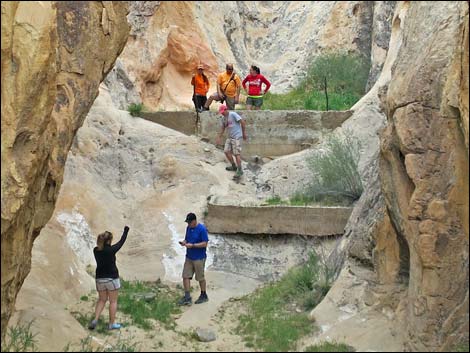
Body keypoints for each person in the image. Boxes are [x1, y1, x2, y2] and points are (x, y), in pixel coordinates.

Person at [88, 226, 130, 330]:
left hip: (99, 279)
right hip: (112, 278)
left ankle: (95, 319)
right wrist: (125, 231)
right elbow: (121, 242)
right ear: (109, 240)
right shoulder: (111, 250)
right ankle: (111, 324)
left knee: (101, 300)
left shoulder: (96, 250)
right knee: (113, 301)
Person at [178, 213, 209, 306]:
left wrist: (193, 245)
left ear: (194, 221)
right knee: (185, 276)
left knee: (200, 278)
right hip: (189, 257)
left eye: (190, 222)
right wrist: (184, 242)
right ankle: (187, 297)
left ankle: (203, 295)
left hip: (199, 258)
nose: (188, 224)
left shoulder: (202, 229)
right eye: (187, 222)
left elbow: (205, 243)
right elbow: (187, 239)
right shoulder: (188, 228)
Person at [215, 104, 247, 179]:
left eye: (223, 111)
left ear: (226, 110)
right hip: (230, 137)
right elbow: (222, 128)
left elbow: (242, 122)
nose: (222, 113)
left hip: (236, 137)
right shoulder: (224, 118)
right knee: (226, 151)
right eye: (221, 112)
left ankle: (240, 170)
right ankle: (233, 166)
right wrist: (219, 137)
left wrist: (244, 133)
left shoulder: (233, 114)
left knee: (236, 153)